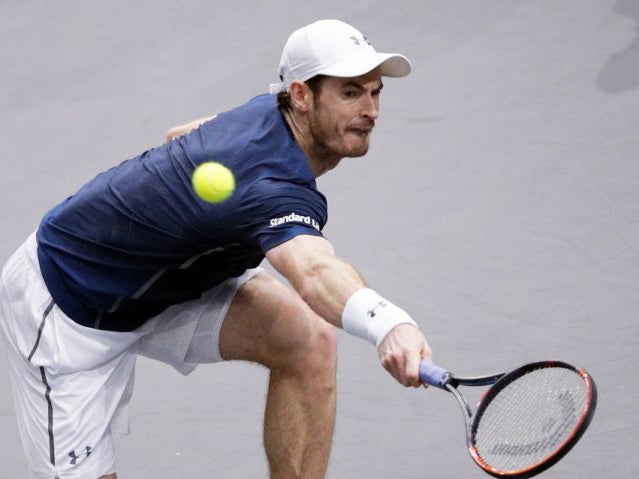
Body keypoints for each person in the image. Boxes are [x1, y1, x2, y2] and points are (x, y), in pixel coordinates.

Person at [0, 19, 432, 479]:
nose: (371, 110)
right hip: (71, 307)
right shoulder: (271, 187)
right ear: (302, 96)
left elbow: (184, 132)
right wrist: (389, 323)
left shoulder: (273, 112)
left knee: (307, 342)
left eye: (375, 92)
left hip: (171, 282)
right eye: (350, 93)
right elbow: (314, 271)